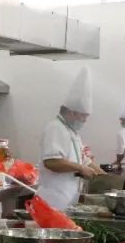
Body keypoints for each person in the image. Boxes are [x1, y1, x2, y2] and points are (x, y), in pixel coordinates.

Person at [37, 65, 104, 211]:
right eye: (83, 116)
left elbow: (83, 159)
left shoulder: (71, 132)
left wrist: (104, 176)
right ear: (72, 112)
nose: (85, 120)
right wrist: (81, 168)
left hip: (67, 198)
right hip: (53, 200)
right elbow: (51, 162)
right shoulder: (55, 128)